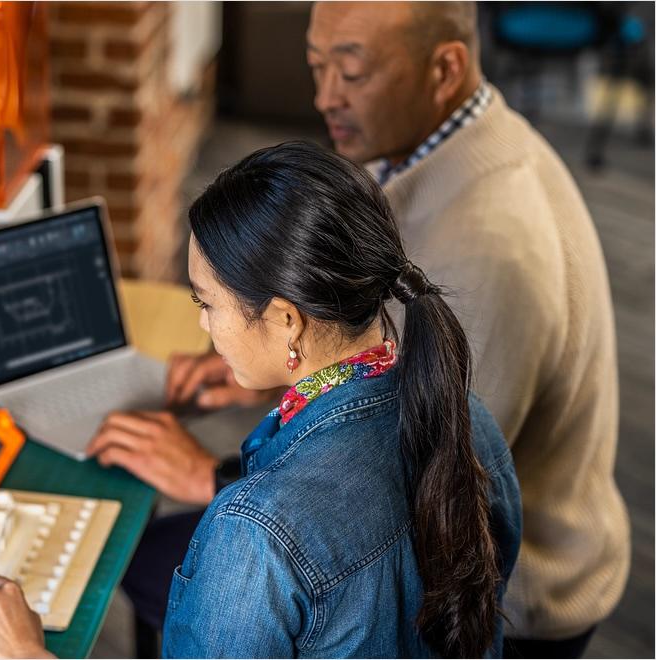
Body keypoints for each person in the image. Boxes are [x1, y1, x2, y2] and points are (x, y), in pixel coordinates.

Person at [100, 3, 629, 657]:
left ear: (445, 68)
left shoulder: (490, 253)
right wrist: (284, 368)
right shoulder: (429, 148)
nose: (325, 96)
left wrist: (216, 483)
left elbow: (395, 493)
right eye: (316, 65)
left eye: (351, 73)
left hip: (521, 606)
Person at [0, 141, 522, 658]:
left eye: (206, 303)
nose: (203, 326)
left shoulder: (254, 534)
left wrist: (23, 654)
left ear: (286, 320)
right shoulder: (466, 420)